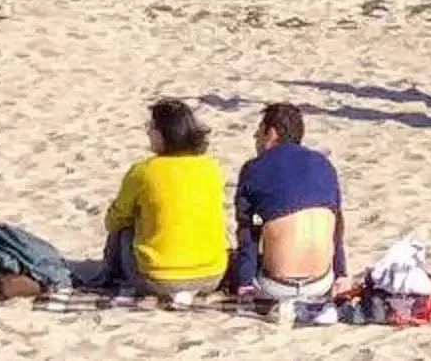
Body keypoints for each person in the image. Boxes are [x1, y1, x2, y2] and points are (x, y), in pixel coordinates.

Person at [97, 99, 229, 304]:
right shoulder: (211, 168)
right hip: (212, 274)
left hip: (158, 278)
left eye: (152, 128)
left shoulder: (144, 171)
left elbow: (113, 222)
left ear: (164, 133)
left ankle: (109, 274)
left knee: (123, 229)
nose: (148, 133)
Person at [225, 103, 346, 321]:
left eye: (259, 130)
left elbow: (247, 236)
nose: (255, 136)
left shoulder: (254, 168)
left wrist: (244, 283)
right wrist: (341, 273)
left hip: (278, 286)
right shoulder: (324, 164)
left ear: (270, 133)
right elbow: (337, 228)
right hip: (322, 281)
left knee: (232, 259)